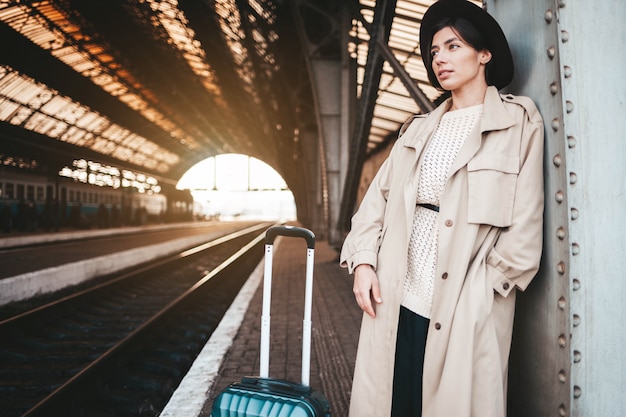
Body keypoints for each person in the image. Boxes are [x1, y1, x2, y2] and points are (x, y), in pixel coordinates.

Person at [339, 1, 545, 416]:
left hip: (464, 309)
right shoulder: (417, 130)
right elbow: (373, 206)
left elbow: (526, 226)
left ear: (483, 53)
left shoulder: (518, 122)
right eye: (434, 52)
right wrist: (363, 263)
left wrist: (483, 296)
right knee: (394, 404)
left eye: (453, 46)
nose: (440, 59)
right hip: (397, 299)